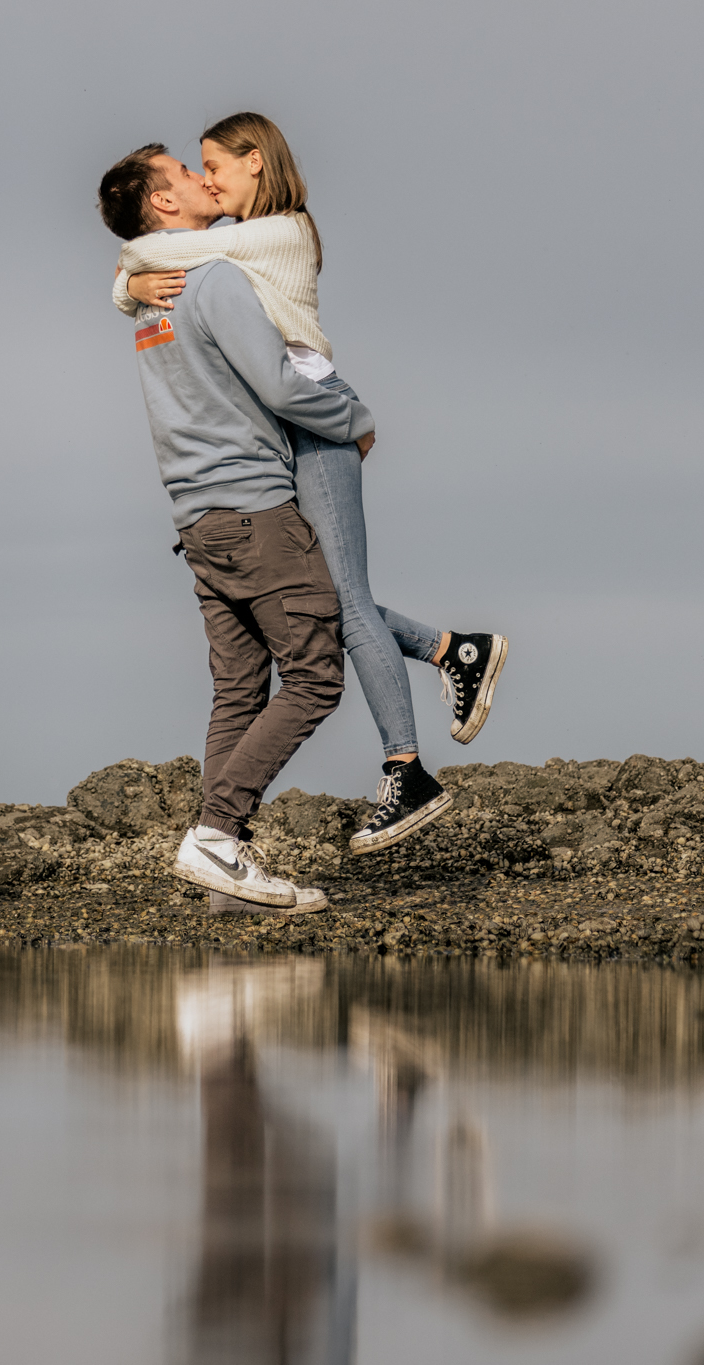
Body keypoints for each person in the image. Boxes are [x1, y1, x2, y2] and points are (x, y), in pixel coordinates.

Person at [101, 118, 506, 854]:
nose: (207, 179)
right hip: (289, 426)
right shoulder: (218, 252)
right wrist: (130, 279)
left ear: (256, 162)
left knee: (341, 600)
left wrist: (126, 279)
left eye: (214, 166)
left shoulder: (279, 232)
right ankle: (453, 649)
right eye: (194, 172)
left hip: (318, 413)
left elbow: (174, 252)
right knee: (321, 593)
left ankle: (406, 767)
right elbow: (161, 251)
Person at [94, 143, 371, 910]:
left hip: (197, 521)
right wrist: (357, 418)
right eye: (184, 172)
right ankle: (216, 836)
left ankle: (223, 873)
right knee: (315, 676)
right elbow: (282, 386)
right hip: (254, 510)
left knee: (239, 691)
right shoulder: (211, 280)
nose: (200, 175)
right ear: (163, 206)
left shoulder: (152, 297)